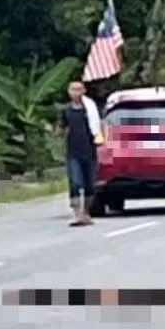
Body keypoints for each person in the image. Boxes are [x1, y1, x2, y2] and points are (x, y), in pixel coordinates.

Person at [59, 80, 103, 227]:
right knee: (75, 183)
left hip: (89, 151)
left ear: (84, 91)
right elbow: (61, 128)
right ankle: (78, 214)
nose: (76, 92)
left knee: (90, 185)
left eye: (79, 89)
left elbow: (98, 127)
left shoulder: (90, 109)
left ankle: (86, 212)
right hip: (73, 152)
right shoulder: (66, 111)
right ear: (68, 92)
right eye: (73, 89)